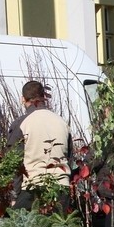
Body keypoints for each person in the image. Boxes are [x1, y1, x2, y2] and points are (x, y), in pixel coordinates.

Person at [6, 80, 72, 211]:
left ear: (22, 99)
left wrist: (14, 196)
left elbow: (14, 163)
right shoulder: (62, 122)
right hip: (61, 188)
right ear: (44, 98)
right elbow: (69, 157)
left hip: (33, 189)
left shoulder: (21, 123)